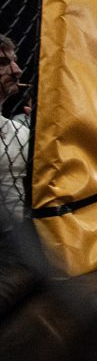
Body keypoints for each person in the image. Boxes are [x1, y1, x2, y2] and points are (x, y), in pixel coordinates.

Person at [0, 34, 29, 225]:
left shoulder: (18, 131)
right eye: (3, 62)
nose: (17, 71)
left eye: (15, 62)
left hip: (20, 240)